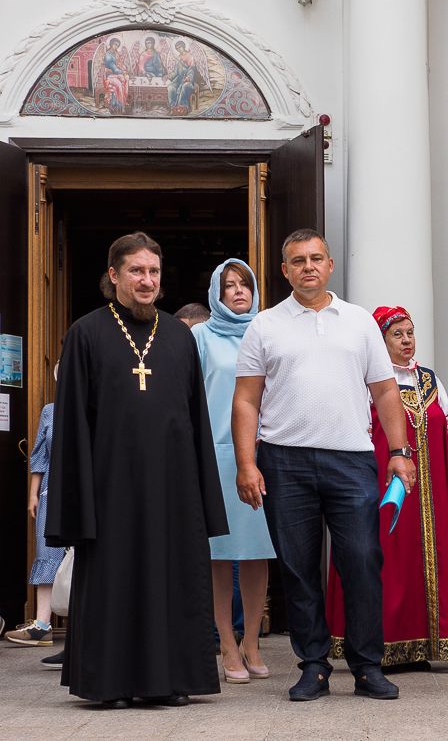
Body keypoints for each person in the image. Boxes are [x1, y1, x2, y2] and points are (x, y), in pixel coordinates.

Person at [45, 232, 229, 708]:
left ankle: (167, 681)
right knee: (114, 580)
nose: (147, 281)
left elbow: (196, 418)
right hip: (110, 487)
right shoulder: (86, 333)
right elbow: (72, 426)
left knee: (170, 577)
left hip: (171, 486)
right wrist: (77, 500)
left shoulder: (179, 336)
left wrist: (201, 495)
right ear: (113, 276)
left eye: (154, 272)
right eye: (136, 271)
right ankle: (109, 683)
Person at [232, 229, 416, 703]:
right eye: (298, 261)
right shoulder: (265, 325)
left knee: (360, 562)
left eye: (316, 258)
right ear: (285, 270)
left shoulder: (358, 322)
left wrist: (399, 452)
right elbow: (247, 399)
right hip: (284, 461)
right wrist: (246, 463)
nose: (308, 267)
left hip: (351, 459)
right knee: (297, 569)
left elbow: (386, 390)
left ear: (330, 265)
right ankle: (313, 666)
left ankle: (366, 666)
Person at [325, 305, 448, 669]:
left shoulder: (430, 381)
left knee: (426, 560)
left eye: (410, 332)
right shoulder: (367, 381)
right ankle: (384, 645)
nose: (406, 340)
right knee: (385, 560)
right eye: (397, 334)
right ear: (380, 340)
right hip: (383, 489)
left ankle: (426, 643)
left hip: (430, 492)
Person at [192, 259, 276, 683]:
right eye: (229, 286)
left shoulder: (267, 331)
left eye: (245, 284)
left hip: (264, 452)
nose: (239, 292)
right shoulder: (200, 336)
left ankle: (252, 643)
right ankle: (225, 641)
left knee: (258, 551)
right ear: (217, 293)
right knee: (221, 553)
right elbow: (189, 395)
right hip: (218, 454)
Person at [5, 371, 65, 650]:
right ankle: (42, 625)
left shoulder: (95, 405)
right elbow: (40, 454)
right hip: (51, 492)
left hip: (86, 492)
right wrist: (32, 494)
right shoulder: (49, 411)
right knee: (46, 552)